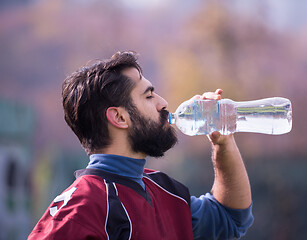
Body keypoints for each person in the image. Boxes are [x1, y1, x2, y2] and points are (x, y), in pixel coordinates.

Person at [28, 51, 254, 240]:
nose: (163, 103)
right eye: (149, 96)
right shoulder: (80, 211)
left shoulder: (165, 192)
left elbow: (231, 218)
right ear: (119, 118)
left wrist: (223, 142)